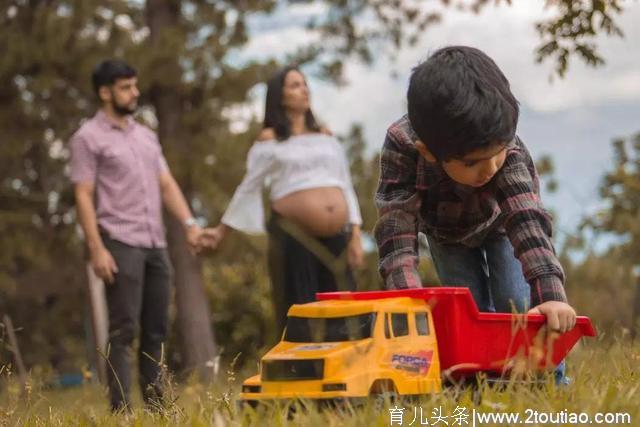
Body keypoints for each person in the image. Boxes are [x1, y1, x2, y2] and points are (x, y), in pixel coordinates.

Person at [374, 46, 576, 380]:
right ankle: (482, 380)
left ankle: (549, 379)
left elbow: (526, 221)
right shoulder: (402, 146)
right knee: (468, 310)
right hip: (446, 235)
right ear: (428, 152)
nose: (490, 169)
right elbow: (397, 226)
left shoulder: (507, 152)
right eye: (472, 163)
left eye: (496, 155)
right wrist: (407, 299)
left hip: (502, 225)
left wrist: (551, 294)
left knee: (515, 302)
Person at [70, 59, 203, 412]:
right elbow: (83, 193)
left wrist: (190, 225)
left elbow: (166, 183)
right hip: (119, 241)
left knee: (156, 330)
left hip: (155, 243)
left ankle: (158, 409)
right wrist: (96, 249)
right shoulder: (87, 138)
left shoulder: (146, 136)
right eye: (126, 87)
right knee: (123, 330)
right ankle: (122, 411)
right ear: (105, 92)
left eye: (135, 85)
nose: (135, 92)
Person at [202, 65, 364, 335]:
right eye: (295, 85)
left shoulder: (325, 136)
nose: (304, 89)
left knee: (342, 307)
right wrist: (221, 232)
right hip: (294, 234)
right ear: (279, 96)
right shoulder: (270, 140)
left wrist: (355, 233)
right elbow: (248, 187)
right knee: (302, 306)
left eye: (304, 83)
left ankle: (342, 372)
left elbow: (344, 183)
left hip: (337, 234)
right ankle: (304, 372)